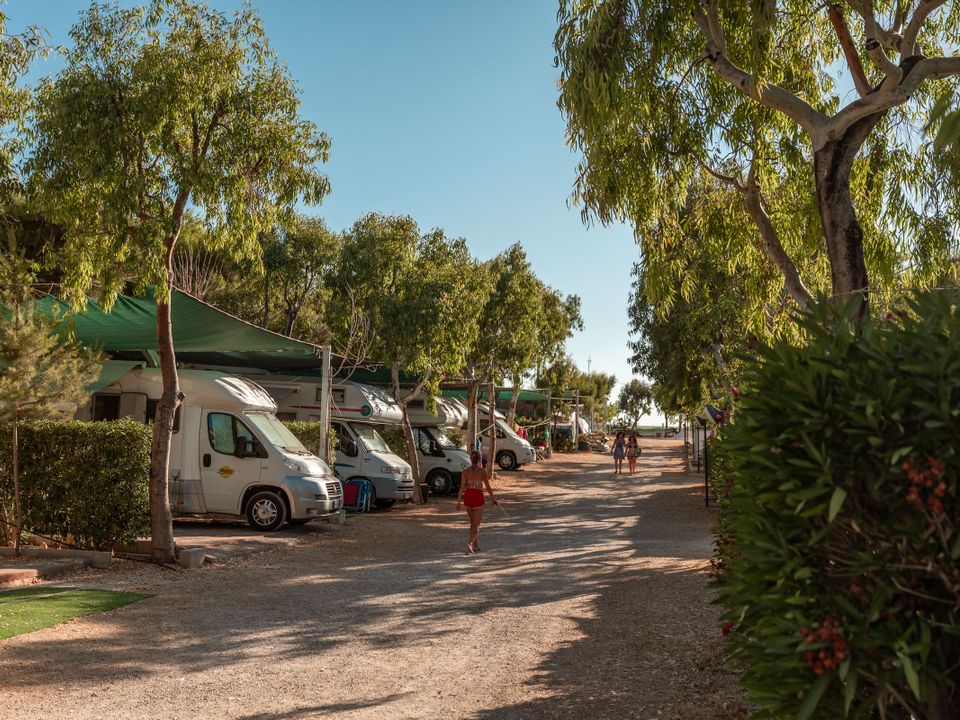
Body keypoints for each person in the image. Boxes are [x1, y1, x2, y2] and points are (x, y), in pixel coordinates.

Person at [456, 449, 499, 554]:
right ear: (479, 459)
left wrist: (458, 502)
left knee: (473, 523)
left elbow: (461, 488)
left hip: (468, 497)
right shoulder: (482, 472)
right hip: (478, 497)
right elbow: (488, 487)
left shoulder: (465, 472)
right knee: (476, 524)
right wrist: (493, 498)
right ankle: (469, 544)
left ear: (470, 459)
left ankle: (476, 545)